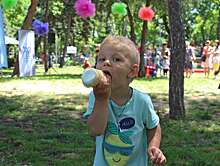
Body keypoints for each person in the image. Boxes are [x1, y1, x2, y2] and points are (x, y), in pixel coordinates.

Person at [83, 36, 166, 166]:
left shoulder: (142, 101)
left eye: (116, 59)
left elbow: (154, 126)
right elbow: (95, 130)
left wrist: (153, 146)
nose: (106, 63)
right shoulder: (96, 97)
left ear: (132, 71)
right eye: (101, 59)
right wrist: (101, 99)